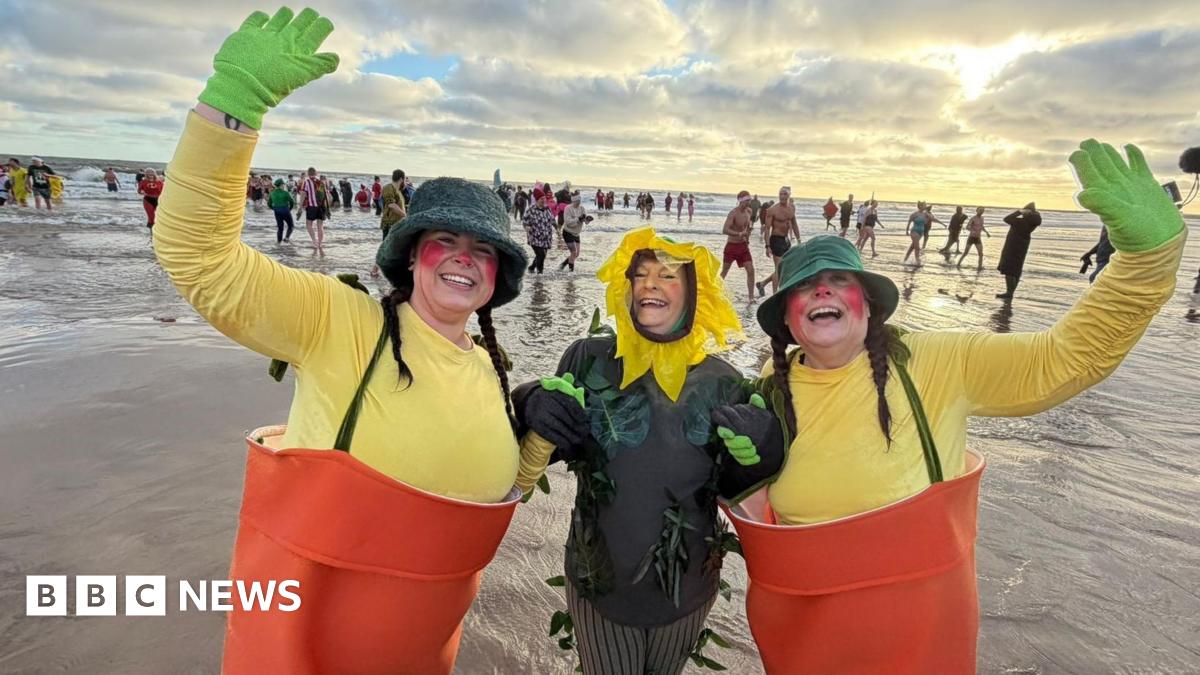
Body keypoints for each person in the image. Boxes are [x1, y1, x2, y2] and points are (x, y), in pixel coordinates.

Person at [152, 9, 533, 673]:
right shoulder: (341, 320)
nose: (463, 259)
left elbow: (488, 489)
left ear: (497, 277)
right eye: (445, 240)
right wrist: (233, 107)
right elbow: (199, 259)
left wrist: (540, 444)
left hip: (424, 651)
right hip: (313, 645)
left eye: (483, 250)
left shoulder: (492, 371)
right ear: (411, 256)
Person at [717, 139, 1185, 674]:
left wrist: (1145, 262)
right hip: (802, 630)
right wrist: (744, 475)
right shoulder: (769, 388)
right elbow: (751, 509)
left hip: (917, 631)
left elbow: (1062, 360)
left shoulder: (938, 361)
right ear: (787, 318)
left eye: (839, 281)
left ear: (867, 303)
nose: (823, 293)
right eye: (806, 288)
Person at [513, 227, 779, 675]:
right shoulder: (588, 359)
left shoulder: (725, 383)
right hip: (601, 583)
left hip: (688, 588)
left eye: (668, 275)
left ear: (696, 293)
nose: (650, 284)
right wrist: (527, 401)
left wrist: (767, 450)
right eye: (639, 275)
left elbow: (738, 490)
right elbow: (535, 456)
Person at [756, 186, 801, 297]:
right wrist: (767, 246)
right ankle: (775, 295)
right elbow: (767, 228)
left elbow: (794, 223)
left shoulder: (792, 208)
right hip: (775, 240)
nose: (782, 196)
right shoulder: (772, 210)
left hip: (786, 240)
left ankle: (762, 283)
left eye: (784, 194)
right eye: (780, 194)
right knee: (778, 269)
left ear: (789, 195)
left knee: (785, 268)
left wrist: (799, 239)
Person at [996, 201, 1042, 299]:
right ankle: (1011, 292)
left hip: (1012, 246)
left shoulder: (1020, 222)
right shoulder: (1032, 223)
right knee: (1016, 270)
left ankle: (1009, 292)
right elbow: (1037, 219)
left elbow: (1006, 219)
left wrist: (1019, 212)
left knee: (1009, 270)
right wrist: (1028, 213)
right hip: (1023, 246)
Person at [371, 169, 408, 277]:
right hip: (390, 224)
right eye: (404, 179)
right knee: (386, 248)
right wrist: (406, 216)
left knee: (393, 248)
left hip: (398, 224)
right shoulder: (388, 188)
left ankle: (378, 270)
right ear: (401, 178)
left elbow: (399, 207)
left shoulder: (398, 191)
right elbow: (391, 205)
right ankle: (375, 270)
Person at [720, 191, 757, 298]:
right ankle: (715, 292)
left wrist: (747, 238)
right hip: (731, 246)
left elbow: (746, 228)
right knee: (724, 272)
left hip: (743, 246)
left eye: (749, 200)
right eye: (747, 200)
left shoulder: (749, 211)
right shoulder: (733, 213)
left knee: (751, 270)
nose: (749, 202)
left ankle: (751, 297)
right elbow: (725, 229)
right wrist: (739, 234)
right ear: (741, 201)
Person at [522, 186, 555, 274]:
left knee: (541, 255)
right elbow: (525, 221)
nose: (543, 200)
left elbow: (552, 219)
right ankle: (540, 274)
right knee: (541, 254)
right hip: (535, 237)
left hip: (546, 237)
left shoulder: (547, 209)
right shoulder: (531, 210)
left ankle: (532, 267)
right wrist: (527, 227)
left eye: (544, 198)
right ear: (537, 200)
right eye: (541, 199)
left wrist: (557, 229)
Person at [299, 167, 327, 251]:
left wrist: (300, 206)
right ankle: (320, 243)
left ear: (308, 173)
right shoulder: (321, 182)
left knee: (309, 224)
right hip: (321, 206)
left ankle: (314, 241)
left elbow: (303, 194)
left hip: (311, 206)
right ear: (316, 173)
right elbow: (326, 196)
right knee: (320, 226)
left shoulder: (306, 182)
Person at [559, 193, 587, 271]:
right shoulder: (568, 208)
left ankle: (563, 264)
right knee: (574, 252)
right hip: (567, 232)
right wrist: (578, 219)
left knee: (576, 254)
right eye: (577, 201)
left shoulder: (582, 208)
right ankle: (571, 272)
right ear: (573, 201)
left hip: (576, 233)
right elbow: (568, 222)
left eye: (579, 200)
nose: (578, 202)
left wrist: (587, 219)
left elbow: (585, 220)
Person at [268, 178, 295, 243]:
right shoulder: (286, 193)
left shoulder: (272, 193)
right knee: (291, 226)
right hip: (285, 210)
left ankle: (278, 243)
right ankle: (286, 238)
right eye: (283, 184)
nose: (284, 185)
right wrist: (290, 209)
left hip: (277, 211)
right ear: (281, 185)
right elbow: (292, 202)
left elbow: (269, 204)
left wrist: (274, 209)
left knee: (280, 228)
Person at [903, 201, 929, 267]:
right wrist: (906, 231)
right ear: (920, 206)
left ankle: (905, 259)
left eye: (925, 205)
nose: (925, 206)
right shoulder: (914, 214)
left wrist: (941, 223)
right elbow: (909, 222)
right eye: (924, 205)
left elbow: (927, 222)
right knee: (917, 247)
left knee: (912, 247)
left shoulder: (925, 214)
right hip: (914, 231)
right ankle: (918, 261)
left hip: (921, 233)